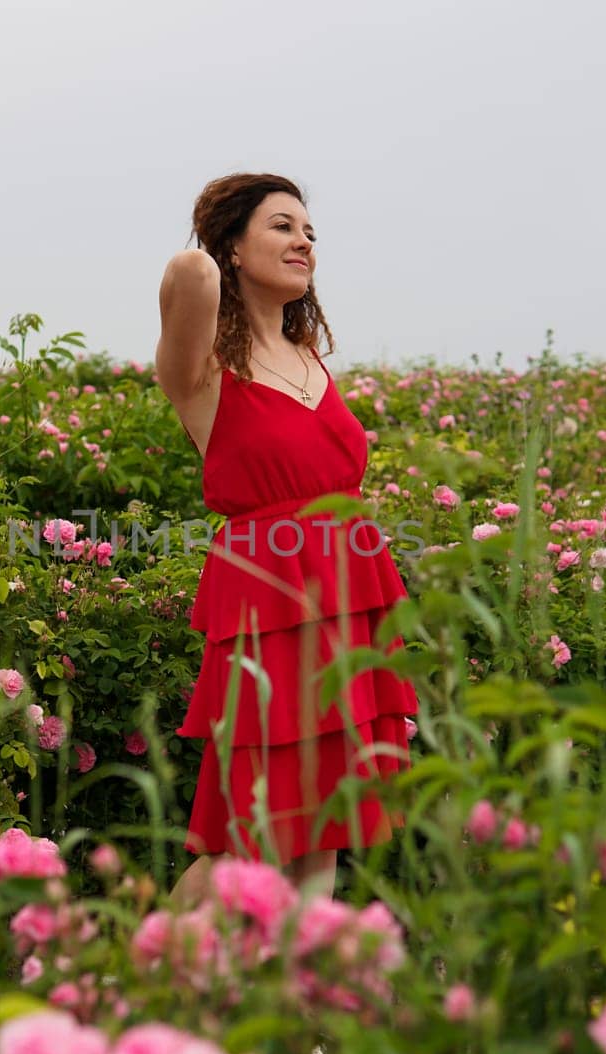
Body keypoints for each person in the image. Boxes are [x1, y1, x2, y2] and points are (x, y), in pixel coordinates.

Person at [154, 173, 417, 905]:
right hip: (266, 603)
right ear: (234, 247)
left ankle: (297, 999)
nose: (304, 240)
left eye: (310, 231)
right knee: (255, 833)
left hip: (345, 599)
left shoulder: (310, 362)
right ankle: (144, 978)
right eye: (281, 226)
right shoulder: (205, 371)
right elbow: (187, 275)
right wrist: (211, 247)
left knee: (322, 828)